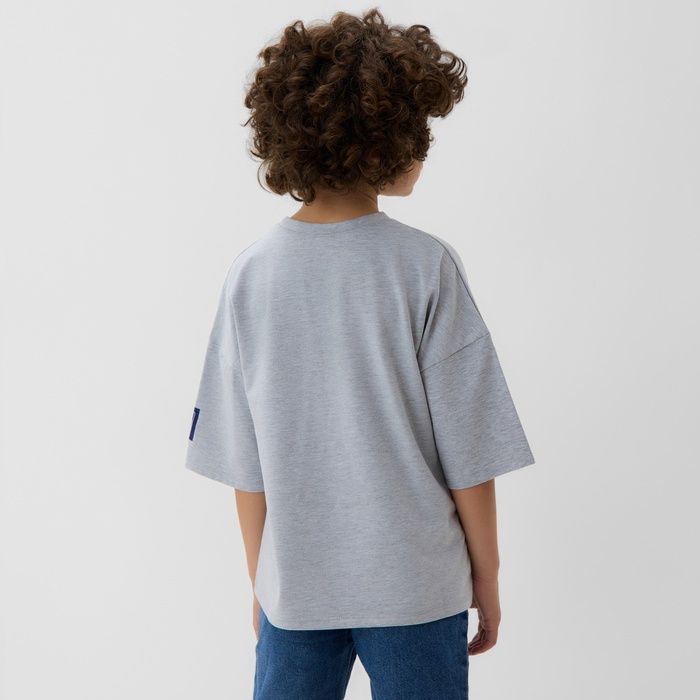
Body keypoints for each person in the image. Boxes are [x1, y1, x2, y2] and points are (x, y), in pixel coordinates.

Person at [185, 7, 535, 699]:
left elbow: (244, 463)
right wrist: (486, 576)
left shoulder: (252, 275)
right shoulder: (425, 267)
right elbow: (470, 451)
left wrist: (263, 582)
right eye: (418, 129)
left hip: (296, 592)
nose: (425, 147)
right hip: (418, 588)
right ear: (381, 141)